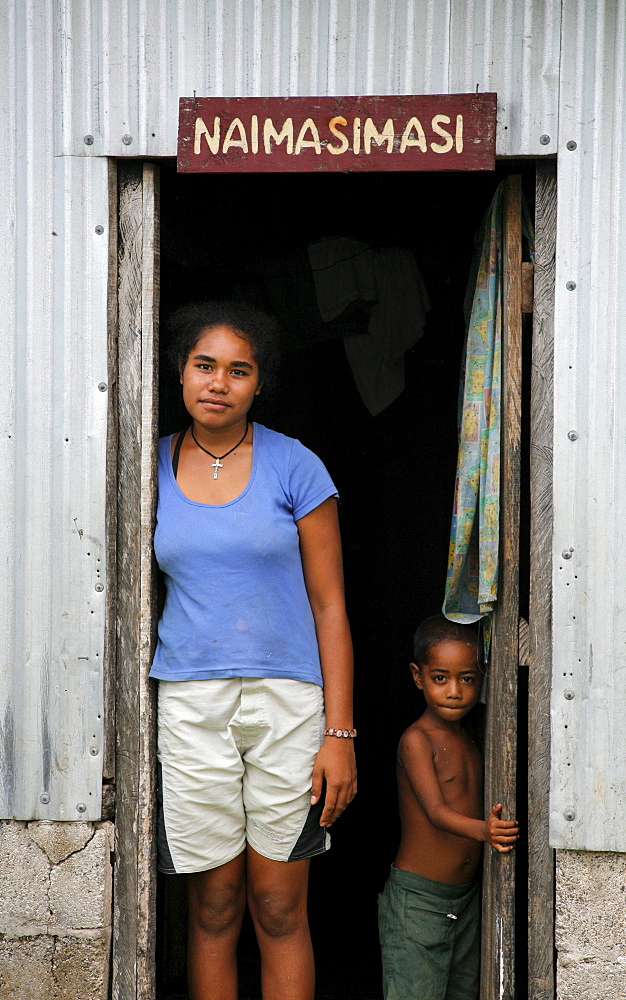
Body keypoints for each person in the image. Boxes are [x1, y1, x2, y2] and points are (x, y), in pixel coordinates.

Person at [150, 301, 357, 1000]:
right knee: (212, 907)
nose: (219, 382)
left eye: (239, 370)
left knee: (277, 903)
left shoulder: (295, 465)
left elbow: (331, 606)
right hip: (191, 703)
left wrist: (340, 733)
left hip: (290, 706)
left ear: (259, 383)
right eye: (205, 365)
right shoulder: (146, 467)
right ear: (180, 372)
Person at [378, 614, 519, 1000]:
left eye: (468, 679)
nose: (455, 691)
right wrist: (485, 831)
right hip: (419, 901)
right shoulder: (417, 740)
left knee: (463, 990)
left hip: (466, 899)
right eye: (440, 678)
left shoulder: (476, 735)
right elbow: (436, 812)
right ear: (417, 676)